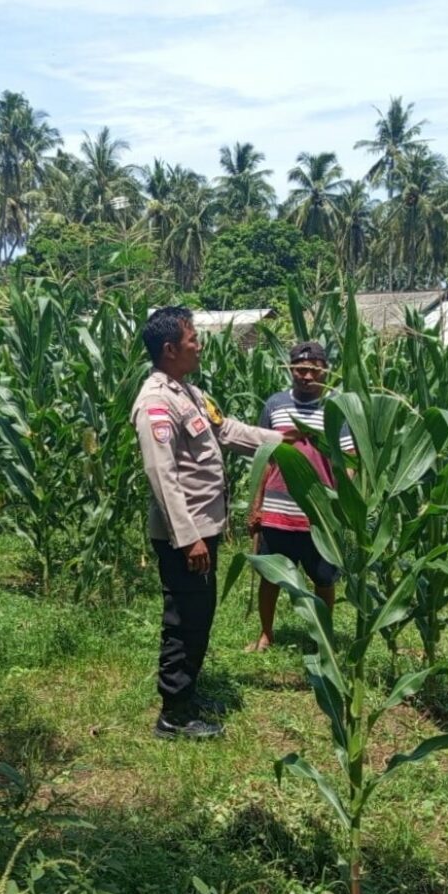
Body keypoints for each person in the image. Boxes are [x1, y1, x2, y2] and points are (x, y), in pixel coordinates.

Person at [132, 306, 293, 740]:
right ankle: (174, 716)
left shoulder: (188, 393)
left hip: (204, 527)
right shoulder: (156, 402)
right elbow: (162, 474)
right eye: (192, 340)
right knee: (184, 619)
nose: (199, 346)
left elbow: (226, 431)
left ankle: (187, 694)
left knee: (200, 615)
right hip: (185, 535)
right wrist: (188, 539)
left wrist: (281, 441)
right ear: (170, 349)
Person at [246, 341, 352, 652]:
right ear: (291, 369)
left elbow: (349, 460)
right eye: (299, 369)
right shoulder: (275, 405)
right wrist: (256, 506)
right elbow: (263, 458)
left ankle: (322, 637)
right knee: (270, 577)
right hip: (277, 511)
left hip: (319, 515)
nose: (306, 376)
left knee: (324, 579)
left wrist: (341, 503)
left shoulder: (336, 409)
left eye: (313, 370)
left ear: (325, 371)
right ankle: (266, 634)